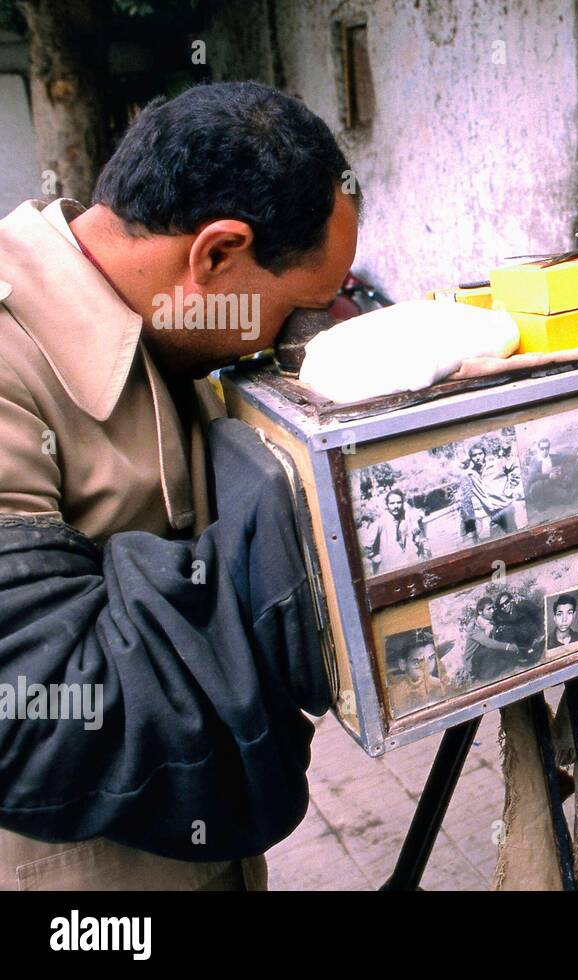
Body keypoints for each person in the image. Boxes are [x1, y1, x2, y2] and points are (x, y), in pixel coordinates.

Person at [0, 81, 360, 889]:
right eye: (295, 310)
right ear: (215, 254)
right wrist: (301, 557)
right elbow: (29, 709)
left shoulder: (171, 325)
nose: (293, 339)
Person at [460, 441, 519, 541]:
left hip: (505, 508)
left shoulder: (496, 464)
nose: (478, 457)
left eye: (480, 454)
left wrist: (510, 489)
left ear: (484, 454)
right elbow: (459, 470)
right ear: (471, 458)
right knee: (496, 543)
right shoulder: (471, 473)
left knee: (515, 538)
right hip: (492, 514)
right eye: (474, 455)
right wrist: (466, 462)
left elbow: (515, 468)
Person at [366, 488, 427, 574]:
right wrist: (373, 556)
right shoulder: (380, 522)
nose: (396, 506)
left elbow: (416, 530)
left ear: (402, 503)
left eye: (399, 503)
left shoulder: (405, 518)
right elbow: (366, 545)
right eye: (392, 503)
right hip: (390, 567)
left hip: (409, 562)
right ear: (387, 504)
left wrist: (416, 544)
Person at [463, 596, 523, 682]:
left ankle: (515, 656)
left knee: (506, 632)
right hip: (473, 661)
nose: (492, 611)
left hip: (483, 651)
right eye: (488, 609)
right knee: (495, 648)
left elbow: (504, 614)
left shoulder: (488, 617)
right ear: (480, 612)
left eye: (492, 608)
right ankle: (482, 676)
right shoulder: (473, 627)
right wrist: (508, 647)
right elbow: (489, 643)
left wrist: (516, 602)